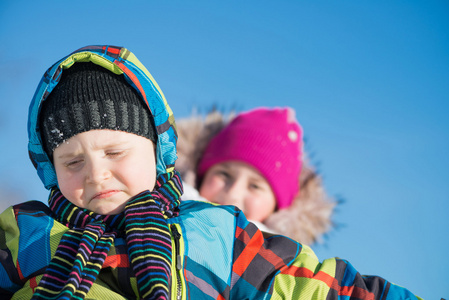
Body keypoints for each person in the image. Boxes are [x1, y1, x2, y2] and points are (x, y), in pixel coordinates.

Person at [0, 45, 420, 299]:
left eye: (114, 152)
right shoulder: (29, 232)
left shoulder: (213, 237)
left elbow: (314, 285)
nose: (96, 175)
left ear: (157, 152)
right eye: (73, 162)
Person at [176, 107, 336, 245]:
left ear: (277, 209)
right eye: (224, 174)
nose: (233, 194)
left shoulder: (278, 271)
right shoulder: (160, 210)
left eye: (255, 186)